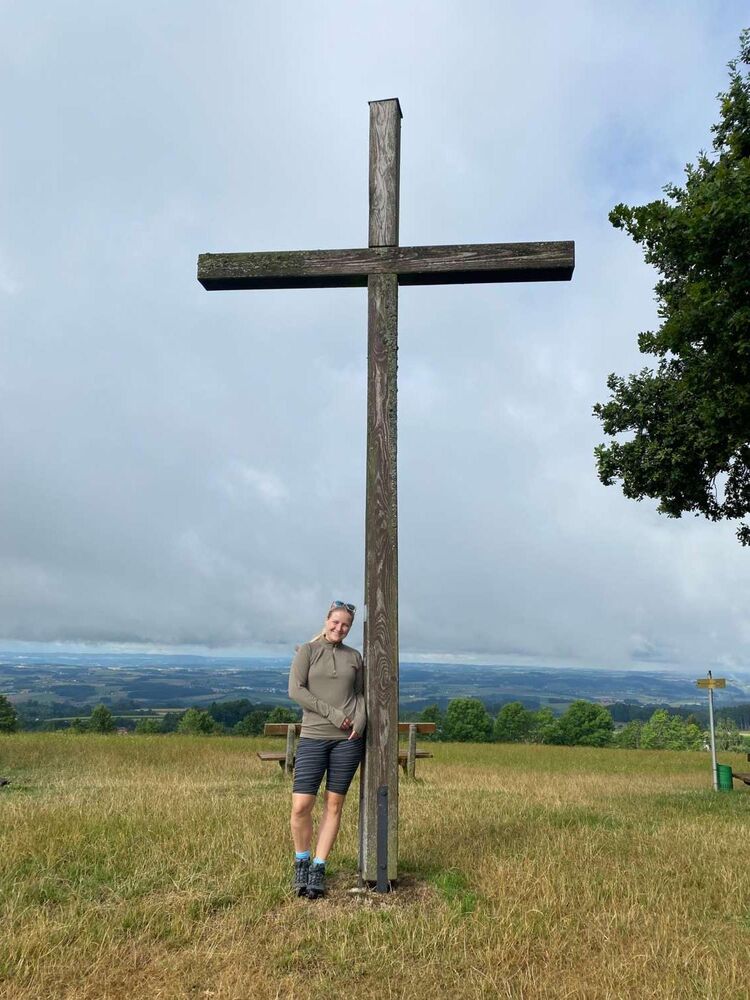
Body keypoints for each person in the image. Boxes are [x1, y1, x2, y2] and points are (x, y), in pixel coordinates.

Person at [287, 600, 366, 899]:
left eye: (346, 625)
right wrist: (333, 714)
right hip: (313, 736)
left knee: (334, 805)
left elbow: (360, 694)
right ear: (326, 620)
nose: (340, 628)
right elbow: (296, 691)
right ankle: (302, 861)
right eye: (336, 622)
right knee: (301, 805)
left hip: (347, 741)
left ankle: (318, 868)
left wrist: (361, 719)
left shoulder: (354, 656)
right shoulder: (307, 651)